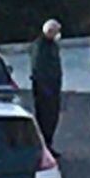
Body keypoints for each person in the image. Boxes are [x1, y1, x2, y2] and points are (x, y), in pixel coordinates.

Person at [29, 19, 63, 155]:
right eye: (56, 32)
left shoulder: (52, 45)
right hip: (44, 89)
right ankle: (43, 147)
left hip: (53, 88)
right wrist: (45, 88)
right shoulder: (40, 46)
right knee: (44, 119)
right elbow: (38, 69)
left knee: (52, 118)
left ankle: (48, 144)